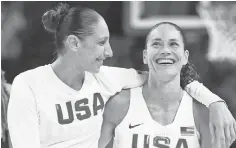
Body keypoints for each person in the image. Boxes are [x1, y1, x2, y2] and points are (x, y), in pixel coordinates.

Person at [7, 3, 235, 148]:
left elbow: (169, 77)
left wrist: (215, 103)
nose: (110, 52)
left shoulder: (109, 78)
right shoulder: (28, 85)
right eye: (101, 43)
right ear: (74, 43)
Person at [98, 22, 236, 148]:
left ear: (185, 57)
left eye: (173, 44)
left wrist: (216, 103)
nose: (165, 50)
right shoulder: (119, 105)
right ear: (145, 56)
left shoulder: (202, 114)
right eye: (156, 44)